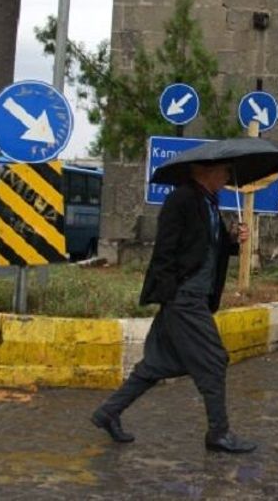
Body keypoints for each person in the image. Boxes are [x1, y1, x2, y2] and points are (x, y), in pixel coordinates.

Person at [90, 162, 257, 454]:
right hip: (184, 297)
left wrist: (231, 240)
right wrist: (172, 295)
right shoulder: (182, 199)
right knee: (214, 359)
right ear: (205, 171)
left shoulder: (209, 203)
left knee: (157, 364)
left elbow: (206, 248)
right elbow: (165, 250)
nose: (228, 177)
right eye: (224, 171)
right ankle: (219, 433)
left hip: (195, 296)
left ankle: (108, 412)